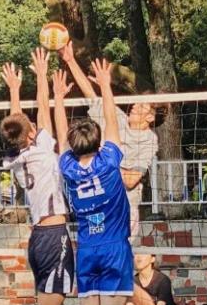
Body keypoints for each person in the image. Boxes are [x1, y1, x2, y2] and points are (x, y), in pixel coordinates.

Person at [0, 48, 86, 305]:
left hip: (37, 239)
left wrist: (14, 90)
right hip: (54, 238)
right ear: (32, 134)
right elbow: (42, 115)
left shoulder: (16, 157)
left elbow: (17, 124)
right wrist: (41, 78)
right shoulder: (44, 153)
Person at [52, 59, 135, 305]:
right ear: (99, 143)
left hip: (86, 250)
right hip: (114, 249)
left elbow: (61, 137)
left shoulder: (68, 168)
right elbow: (113, 123)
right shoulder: (109, 162)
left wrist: (58, 98)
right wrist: (105, 85)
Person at [60, 42, 159, 237]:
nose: (134, 107)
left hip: (123, 208)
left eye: (141, 106)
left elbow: (130, 181)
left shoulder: (149, 140)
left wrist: (103, 164)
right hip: (98, 206)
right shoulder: (118, 118)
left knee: (120, 254)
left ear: (150, 117)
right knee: (94, 250)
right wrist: (70, 60)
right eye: (136, 103)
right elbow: (91, 95)